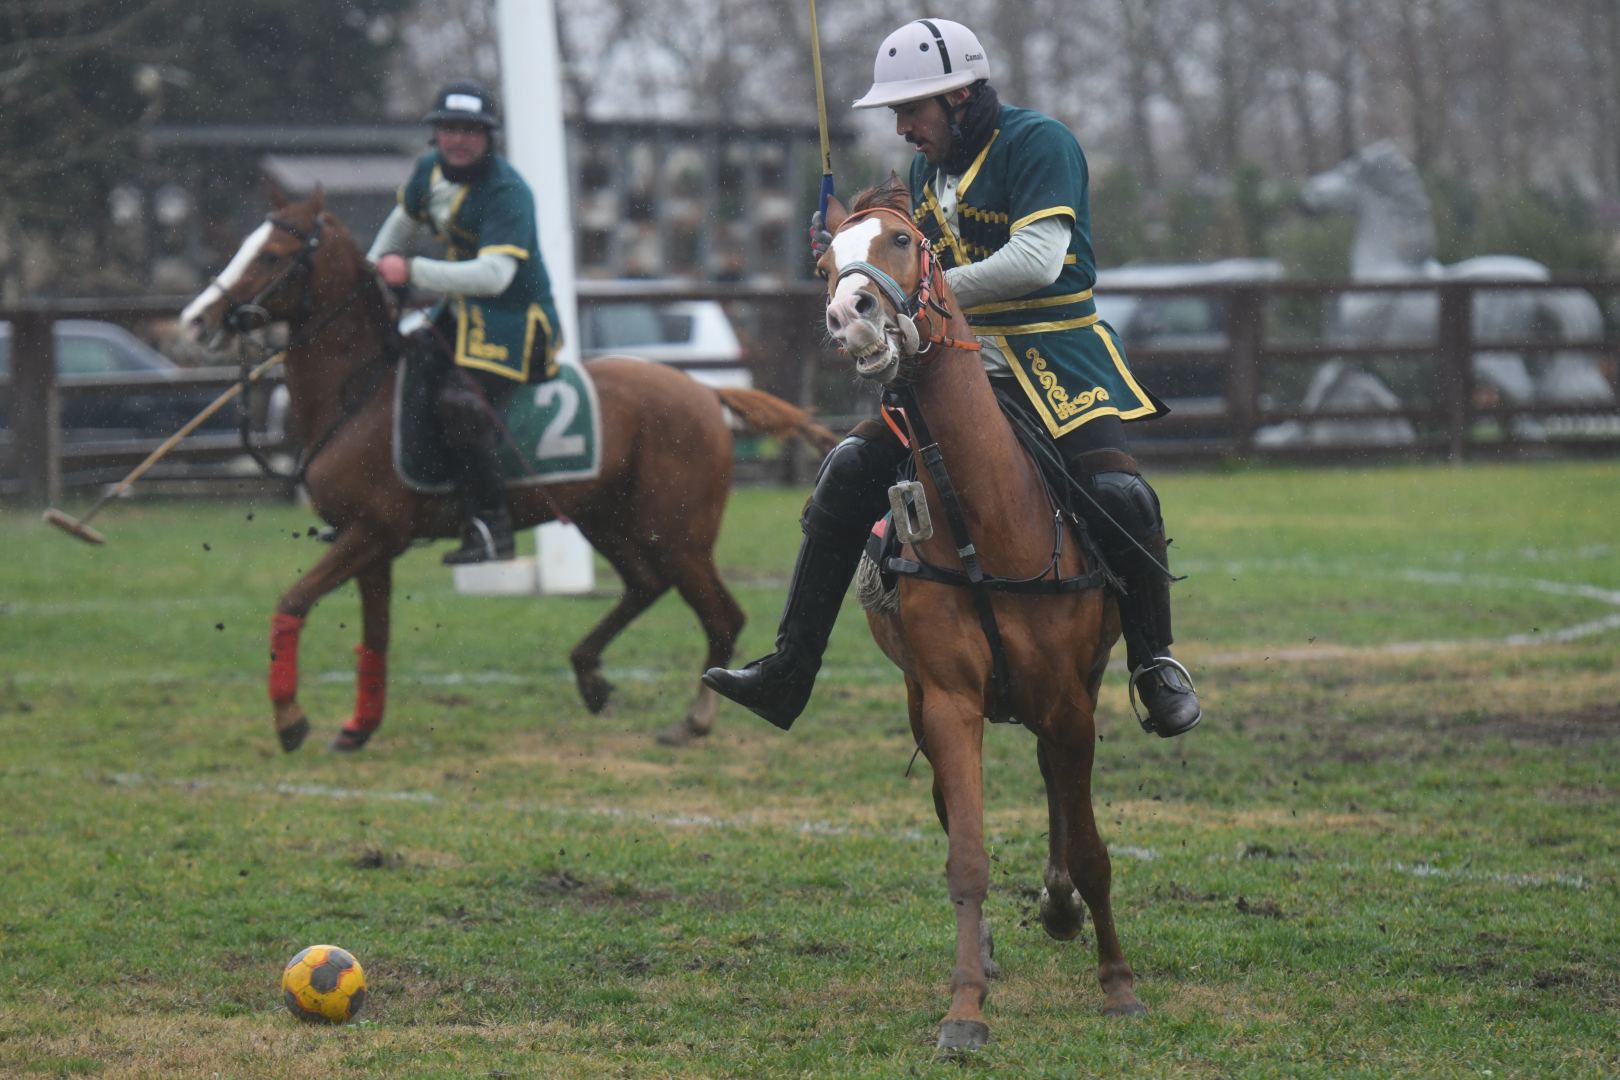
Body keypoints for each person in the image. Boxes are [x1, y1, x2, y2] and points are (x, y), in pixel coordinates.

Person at [703, 19, 1202, 737]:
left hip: (1057, 361)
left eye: (912, 109)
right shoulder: (921, 174)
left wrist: (921, 299)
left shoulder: (1039, 144)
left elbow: (1036, 260)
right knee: (847, 469)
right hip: (956, 368)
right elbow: (903, 261)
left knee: (1121, 496)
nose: (902, 127)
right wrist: (849, 252)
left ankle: (1155, 665)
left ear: (961, 97)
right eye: (897, 113)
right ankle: (789, 670)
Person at [368, 78, 562, 564]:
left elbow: (495, 276)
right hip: (459, 312)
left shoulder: (507, 191)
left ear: (487, 136)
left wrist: (411, 271)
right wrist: (373, 268)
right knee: (399, 372)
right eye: (450, 128)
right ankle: (388, 508)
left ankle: (492, 530)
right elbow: (403, 222)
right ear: (436, 134)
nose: (459, 139)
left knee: (461, 403)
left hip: (514, 321)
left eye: (470, 130)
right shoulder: (429, 169)